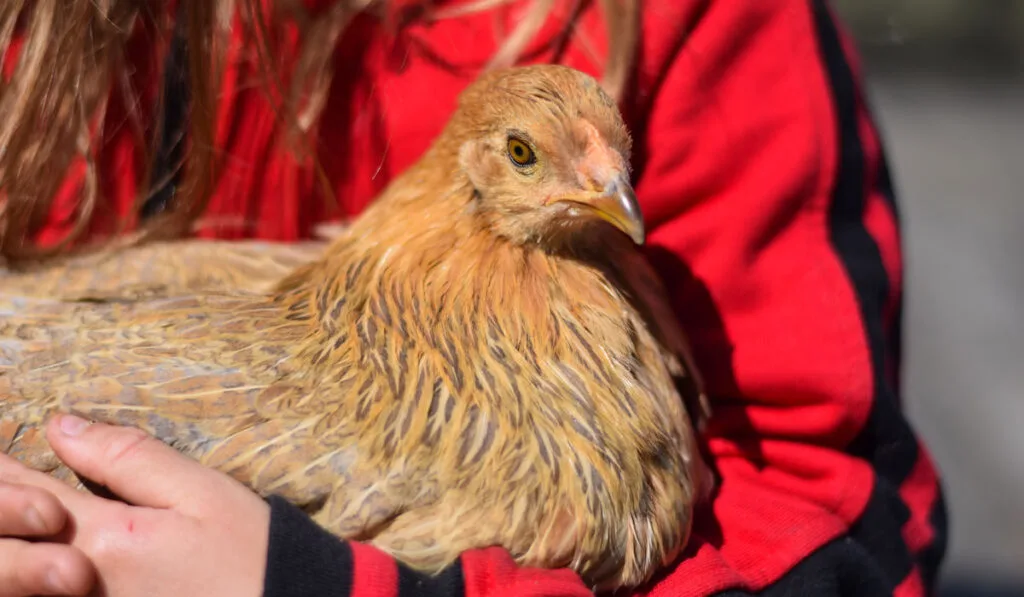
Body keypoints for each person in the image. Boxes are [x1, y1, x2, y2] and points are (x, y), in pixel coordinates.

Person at [0, 1, 947, 596]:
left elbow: (836, 523)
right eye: (532, 157)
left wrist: (321, 583)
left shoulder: (697, 23)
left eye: (617, 171)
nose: (614, 193)